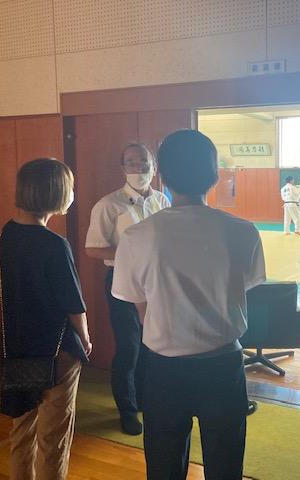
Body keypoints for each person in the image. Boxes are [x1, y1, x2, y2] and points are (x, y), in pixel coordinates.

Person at [112, 130, 266, 480]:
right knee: (226, 466)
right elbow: (243, 289)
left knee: (164, 467)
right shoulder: (243, 231)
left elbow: (140, 307)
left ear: (162, 176)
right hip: (224, 365)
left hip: (164, 368)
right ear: (214, 175)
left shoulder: (138, 236)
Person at [0, 158, 92, 480]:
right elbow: (74, 305)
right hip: (57, 350)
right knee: (53, 438)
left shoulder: (8, 234)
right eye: (70, 188)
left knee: (22, 430)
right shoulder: (55, 244)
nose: (72, 194)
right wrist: (86, 339)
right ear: (55, 192)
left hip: (19, 347)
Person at [85, 143, 170, 435]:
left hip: (156, 281)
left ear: (154, 166)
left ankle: (144, 399)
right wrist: (130, 252)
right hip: (122, 280)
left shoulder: (162, 200)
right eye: (131, 162)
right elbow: (92, 249)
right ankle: (127, 410)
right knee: (129, 346)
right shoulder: (109, 204)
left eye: (144, 162)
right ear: (122, 168)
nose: (138, 168)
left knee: (151, 343)